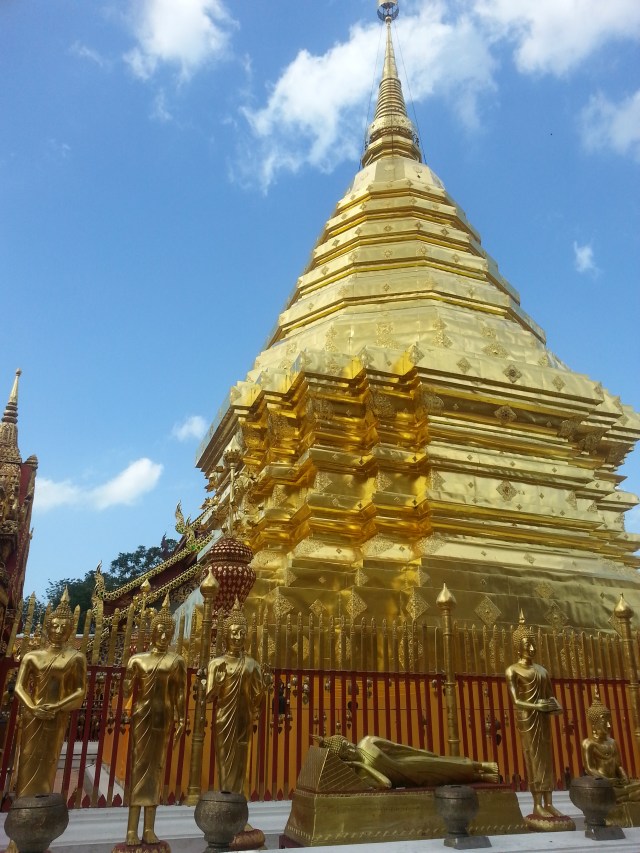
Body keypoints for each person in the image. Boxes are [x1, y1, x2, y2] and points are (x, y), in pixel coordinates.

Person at [123, 595, 186, 846]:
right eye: (160, 630)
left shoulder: (176, 661)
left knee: (156, 769)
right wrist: (127, 681)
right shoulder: (138, 660)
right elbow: (128, 690)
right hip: (142, 716)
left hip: (164, 716)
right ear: (152, 632)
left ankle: (149, 828)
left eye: (167, 631)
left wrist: (182, 719)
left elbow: (180, 692)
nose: (163, 635)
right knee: (138, 768)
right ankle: (130, 829)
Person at [14, 588, 87, 797]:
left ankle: (43, 801)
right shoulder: (32, 656)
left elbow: (80, 691)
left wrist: (57, 706)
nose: (57, 631)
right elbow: (19, 687)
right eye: (54, 626)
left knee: (49, 757)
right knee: (27, 755)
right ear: (48, 626)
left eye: (63, 627)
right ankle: (22, 802)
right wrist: (32, 707)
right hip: (32, 713)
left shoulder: (75, 658)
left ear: (70, 630)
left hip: (56, 714)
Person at [505, 614, 565, 822]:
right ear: (518, 646)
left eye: (533, 643)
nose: (531, 648)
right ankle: (537, 804)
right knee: (533, 759)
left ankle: (549, 802)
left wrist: (556, 707)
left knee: (547, 760)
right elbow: (516, 701)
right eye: (527, 644)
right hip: (527, 719)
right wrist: (536, 705)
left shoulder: (542, 671)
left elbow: (551, 697)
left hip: (543, 719)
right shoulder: (513, 670)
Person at [206, 598, 264, 794]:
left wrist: (259, 699)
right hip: (224, 718)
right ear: (226, 636)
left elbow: (258, 695)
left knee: (241, 760)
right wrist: (219, 683)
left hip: (243, 718)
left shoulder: (252, 664)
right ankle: (225, 800)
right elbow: (208, 697)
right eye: (234, 633)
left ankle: (239, 806)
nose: (238, 637)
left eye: (242, 633)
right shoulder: (217, 664)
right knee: (224, 759)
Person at [316, 734, 499, 789]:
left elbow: (397, 747)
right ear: (345, 760)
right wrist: (359, 765)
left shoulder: (366, 742)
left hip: (412, 761)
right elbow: (386, 784)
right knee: (445, 779)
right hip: (409, 777)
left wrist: (425, 754)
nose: (350, 749)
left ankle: (482, 766)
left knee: (445, 764)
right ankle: (480, 777)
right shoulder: (363, 773)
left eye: (347, 744)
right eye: (345, 753)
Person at [582, 690, 640, 802]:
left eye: (610, 721)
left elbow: (618, 765)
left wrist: (624, 777)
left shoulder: (612, 742)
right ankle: (623, 797)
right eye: (604, 721)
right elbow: (589, 768)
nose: (609, 725)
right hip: (603, 783)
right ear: (595, 723)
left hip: (617, 784)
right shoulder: (589, 743)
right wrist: (606, 780)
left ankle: (622, 797)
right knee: (603, 792)